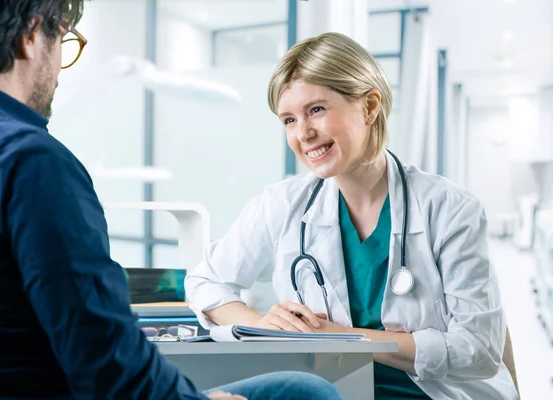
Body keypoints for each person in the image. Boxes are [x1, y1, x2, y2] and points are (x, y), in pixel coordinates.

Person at [0, 1, 343, 399]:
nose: (58, 72)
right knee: (306, 392)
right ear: (33, 36)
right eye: (65, 41)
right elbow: (107, 362)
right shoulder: (28, 160)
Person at [185, 32, 520, 399]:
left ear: (370, 106)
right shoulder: (282, 204)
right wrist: (262, 325)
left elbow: (480, 350)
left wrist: (341, 340)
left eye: (316, 110)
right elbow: (205, 281)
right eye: (288, 120)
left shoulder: (450, 210)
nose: (303, 134)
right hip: (335, 390)